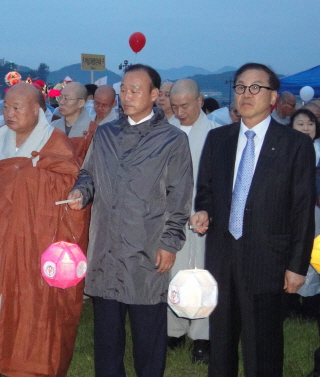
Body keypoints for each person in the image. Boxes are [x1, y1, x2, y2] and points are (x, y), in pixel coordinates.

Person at [67, 64, 193, 377]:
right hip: (107, 247)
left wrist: (170, 242)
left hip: (146, 249)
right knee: (107, 338)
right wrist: (82, 192)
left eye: (135, 90)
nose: (127, 95)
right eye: (124, 89)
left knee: (147, 335)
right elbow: (89, 174)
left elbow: (180, 197)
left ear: (154, 95)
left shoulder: (172, 140)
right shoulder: (106, 134)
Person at [190, 63, 316, 377]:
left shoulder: (294, 145)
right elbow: (205, 190)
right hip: (222, 255)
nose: (246, 94)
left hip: (268, 259)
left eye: (255, 87)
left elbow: (303, 209)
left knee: (264, 347)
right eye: (240, 87)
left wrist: (297, 265)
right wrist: (204, 210)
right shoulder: (218, 139)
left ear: (273, 97)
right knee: (221, 342)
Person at [0, 83, 86, 377]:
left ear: (36, 110)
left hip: (36, 234)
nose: (9, 113)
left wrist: (30, 177)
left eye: (17, 108)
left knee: (30, 295)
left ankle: (25, 363)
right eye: (6, 107)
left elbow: (71, 183)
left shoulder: (55, 142)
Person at [167, 79, 220, 363]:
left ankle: (202, 336)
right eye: (174, 106)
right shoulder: (165, 132)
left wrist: (207, 211)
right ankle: (173, 329)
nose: (180, 112)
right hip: (171, 216)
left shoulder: (217, 134)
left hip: (203, 216)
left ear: (200, 101)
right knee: (170, 271)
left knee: (203, 274)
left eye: (185, 105)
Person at [51, 82, 94, 160]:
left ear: (80, 103)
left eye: (66, 99)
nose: (61, 102)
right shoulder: (52, 127)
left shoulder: (92, 131)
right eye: (60, 98)